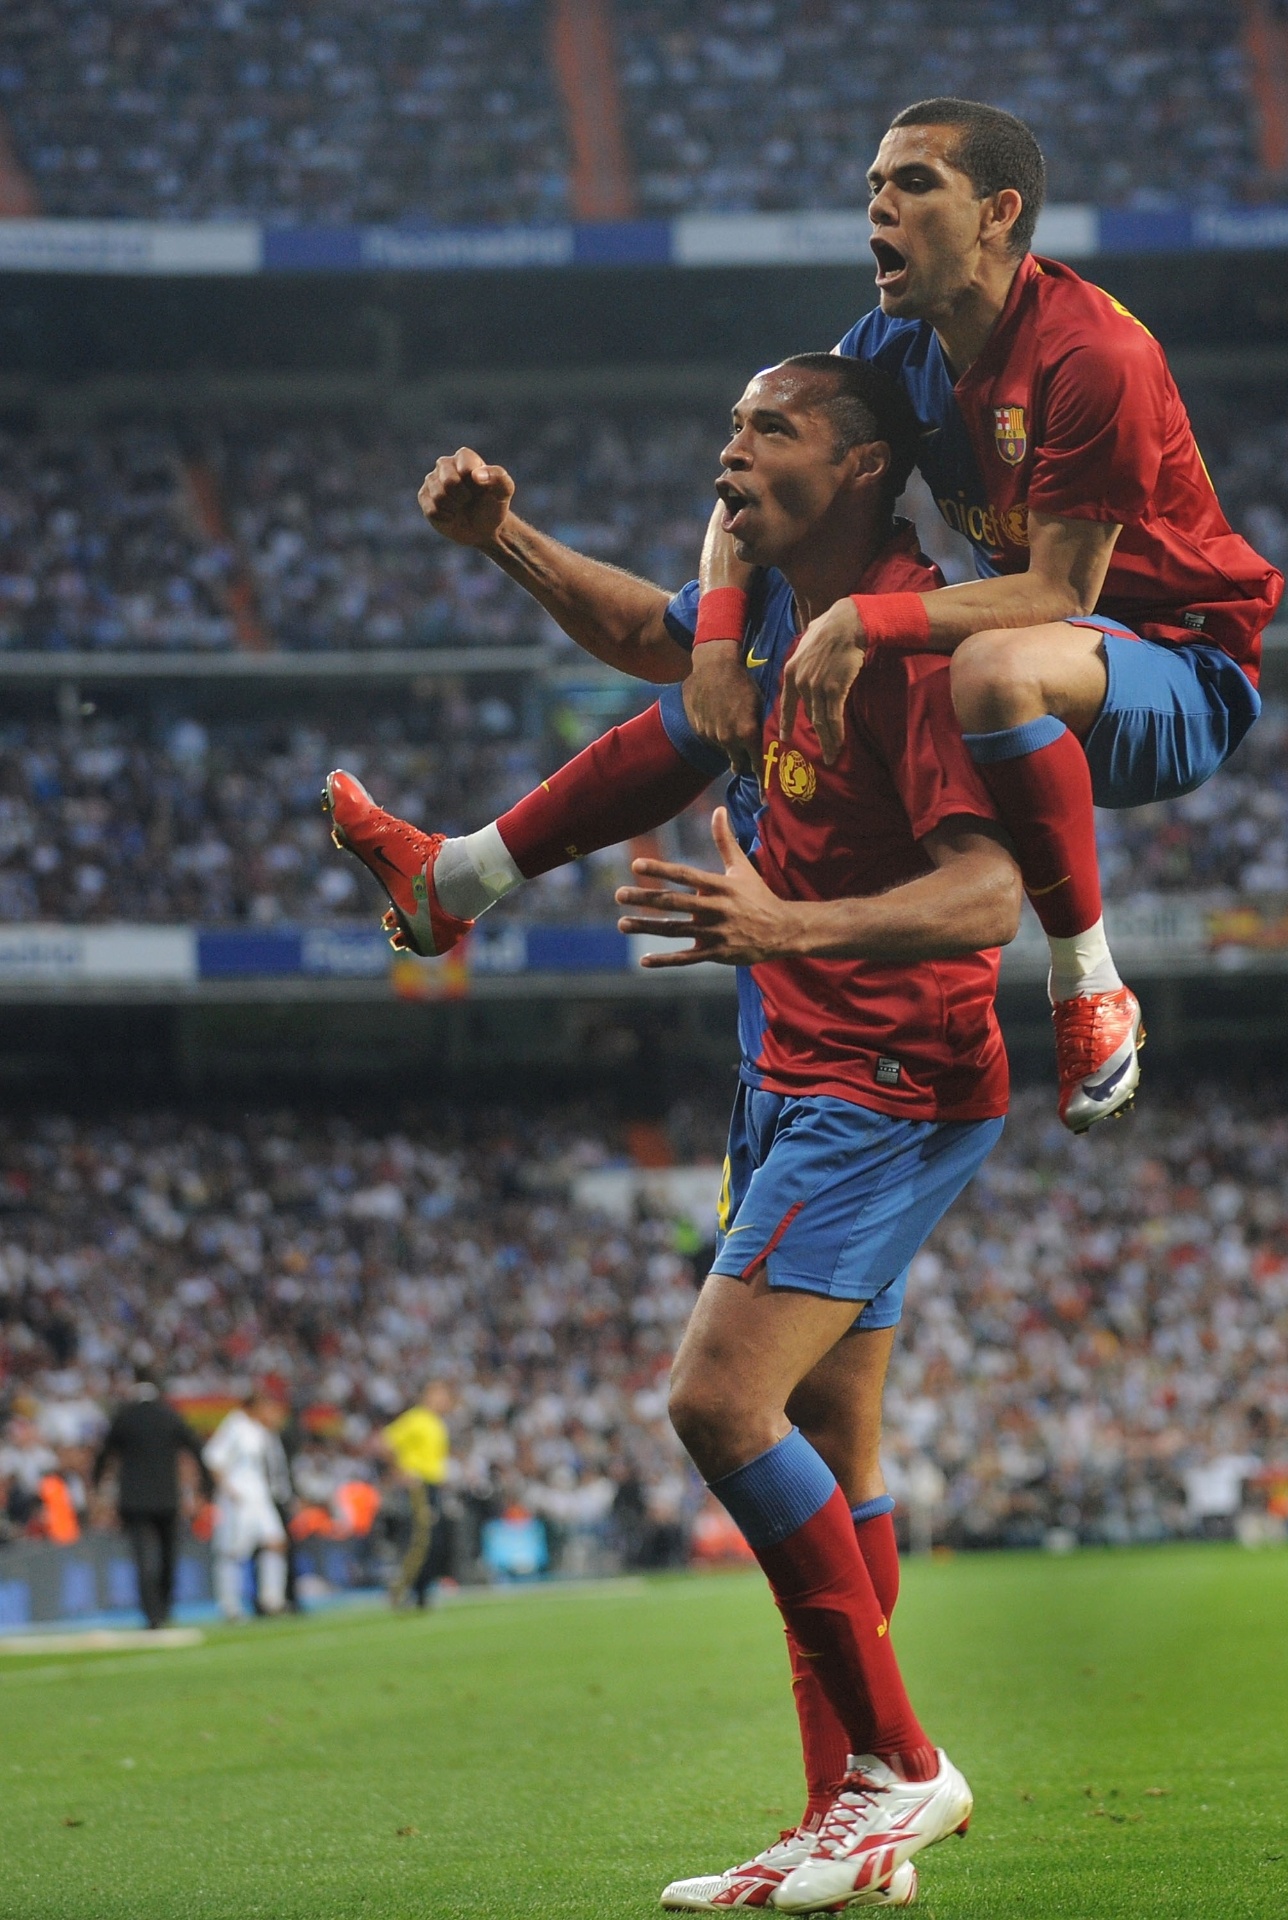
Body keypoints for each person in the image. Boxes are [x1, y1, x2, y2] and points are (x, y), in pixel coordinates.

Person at [326, 354, 1023, 1910]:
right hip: (794, 1068)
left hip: (883, 1080)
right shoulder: (772, 605)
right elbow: (650, 638)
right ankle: (850, 1832)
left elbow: (996, 896)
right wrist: (505, 540)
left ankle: (900, 1771)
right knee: (832, 1466)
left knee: (717, 1406)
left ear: (855, 472)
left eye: (765, 428)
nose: (729, 450)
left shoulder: (914, 657)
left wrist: (786, 923)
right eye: (727, 424)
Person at [681, 98, 1283, 1136]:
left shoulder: (1095, 355)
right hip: (1052, 654)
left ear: (998, 213)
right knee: (768, 599)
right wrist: (714, 651)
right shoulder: (891, 342)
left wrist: (867, 620)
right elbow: (762, 481)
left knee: (989, 668)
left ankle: (1086, 980)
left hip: (1180, 665)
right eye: (874, 185)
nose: (878, 205)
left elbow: (1061, 594)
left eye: (914, 183)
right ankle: (476, 868)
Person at [92, 1369, 214, 1630]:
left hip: (133, 1501)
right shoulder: (169, 1415)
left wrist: (96, 1484)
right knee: (169, 1555)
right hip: (167, 1498)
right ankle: (166, 1606)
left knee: (142, 1557)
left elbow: (104, 1455)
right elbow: (196, 1448)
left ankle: (152, 1614)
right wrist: (206, 1486)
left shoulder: (124, 1416)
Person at [203, 1389, 291, 1623]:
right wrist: (228, 1489)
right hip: (239, 1498)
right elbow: (213, 1456)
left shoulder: (262, 1431)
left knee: (275, 1543)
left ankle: (273, 1600)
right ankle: (230, 1606)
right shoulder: (235, 1425)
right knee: (233, 1552)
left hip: (261, 1496)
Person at [379, 1380, 455, 1609]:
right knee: (419, 1539)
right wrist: (400, 1472)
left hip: (432, 1485)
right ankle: (401, 1589)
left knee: (433, 1540)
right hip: (419, 1486)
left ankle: (422, 1591)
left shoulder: (436, 1423)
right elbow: (385, 1442)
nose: (445, 1400)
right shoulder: (416, 1419)